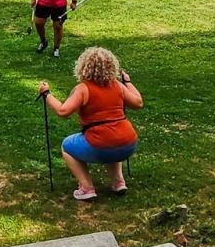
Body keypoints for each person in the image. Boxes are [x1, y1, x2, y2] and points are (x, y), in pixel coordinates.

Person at [37, 47, 142, 200]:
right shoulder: (118, 85)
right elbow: (138, 103)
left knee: (67, 145)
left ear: (83, 66)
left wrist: (46, 94)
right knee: (112, 140)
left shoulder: (83, 89)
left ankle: (87, 188)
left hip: (100, 144)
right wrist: (128, 82)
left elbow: (63, 111)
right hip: (128, 144)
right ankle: (118, 181)